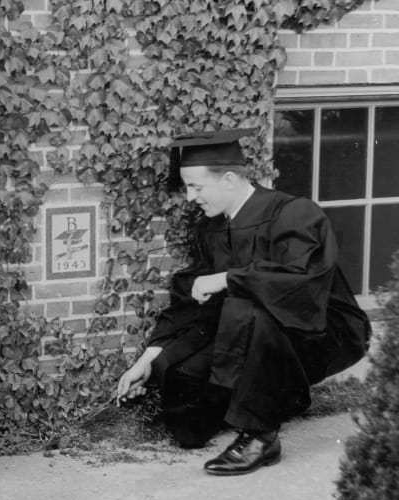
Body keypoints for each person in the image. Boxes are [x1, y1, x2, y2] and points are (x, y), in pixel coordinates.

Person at [116, 128, 371, 475]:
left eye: (196, 187)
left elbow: (299, 286)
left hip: (326, 331)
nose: (190, 197)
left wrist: (226, 278)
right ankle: (263, 400)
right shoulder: (212, 230)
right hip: (254, 329)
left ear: (230, 179)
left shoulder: (294, 214)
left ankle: (262, 436)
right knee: (187, 423)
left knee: (250, 306)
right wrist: (151, 356)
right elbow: (196, 301)